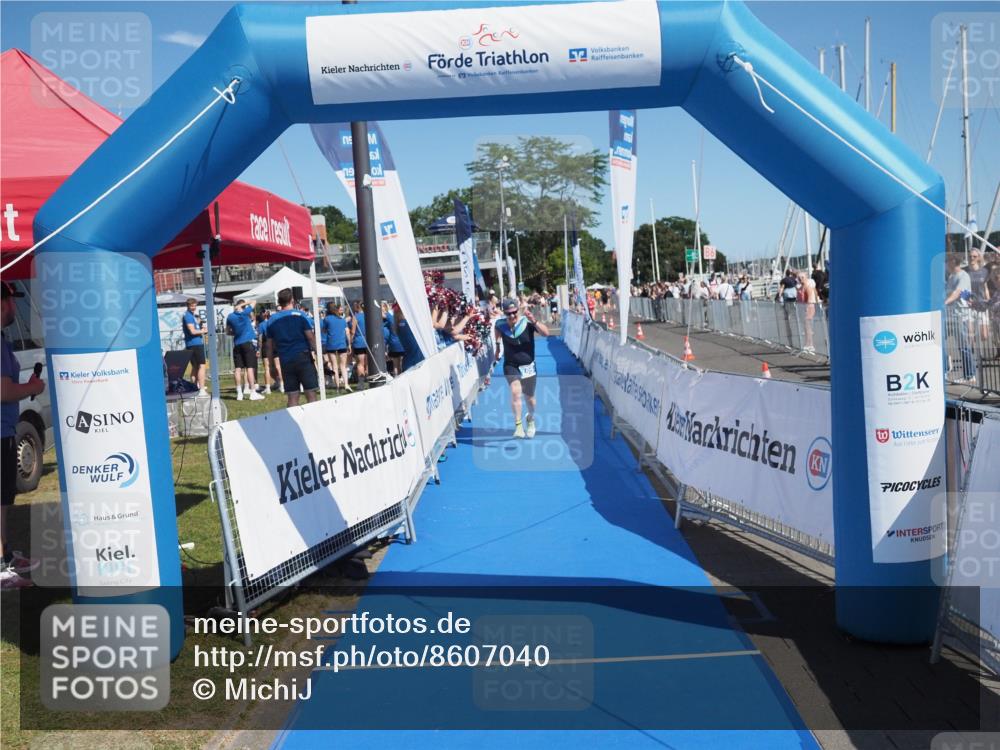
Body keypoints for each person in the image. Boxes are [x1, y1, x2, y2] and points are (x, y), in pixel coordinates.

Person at [1, 282, 43, 588]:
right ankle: (2, 568)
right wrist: (32, 388)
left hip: (5, 429)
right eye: (12, 301)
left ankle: (5, 557)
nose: (15, 308)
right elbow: (3, 390)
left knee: (4, 498)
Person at [494, 298, 549, 439]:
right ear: (504, 313)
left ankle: (530, 418)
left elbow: (546, 333)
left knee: (530, 399)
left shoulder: (527, 323)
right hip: (511, 365)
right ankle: (518, 426)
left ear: (518, 310)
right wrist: (497, 346)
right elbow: (497, 333)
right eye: (508, 314)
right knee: (515, 392)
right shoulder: (500, 325)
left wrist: (534, 321)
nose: (512, 316)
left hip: (528, 366)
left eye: (514, 312)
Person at [263, 288, 319, 407]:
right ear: (292, 300)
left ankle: (291, 424)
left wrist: (271, 365)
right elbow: (310, 337)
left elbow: (268, 345)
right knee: (311, 394)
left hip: (285, 360)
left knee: (292, 396)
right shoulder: (301, 315)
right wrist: (319, 354)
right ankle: (314, 422)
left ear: (279, 301)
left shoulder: (272, 320)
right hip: (303, 357)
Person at [945, 254, 975, 383]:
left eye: (947, 261)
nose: (945, 264)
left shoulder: (963, 276)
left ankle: (970, 375)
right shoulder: (951, 277)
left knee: (963, 346)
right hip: (949, 316)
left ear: (953, 261)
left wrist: (944, 303)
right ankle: (946, 370)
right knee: (940, 343)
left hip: (960, 316)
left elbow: (957, 293)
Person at [226, 299, 264, 401]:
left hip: (237, 343)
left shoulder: (230, 317)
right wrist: (243, 304)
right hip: (247, 343)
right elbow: (254, 302)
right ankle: (252, 393)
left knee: (238, 369)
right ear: (241, 307)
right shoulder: (244, 314)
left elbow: (228, 331)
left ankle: (239, 393)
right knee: (250, 368)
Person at [322, 302, 351, 391]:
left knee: (334, 365)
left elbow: (324, 330)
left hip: (331, 344)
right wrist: (349, 344)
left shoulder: (326, 319)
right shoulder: (342, 319)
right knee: (343, 365)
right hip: (342, 344)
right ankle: (346, 384)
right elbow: (347, 332)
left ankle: (337, 386)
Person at [182, 298, 208, 395]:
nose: (193, 307)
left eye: (195, 306)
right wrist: (203, 331)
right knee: (201, 365)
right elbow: (192, 331)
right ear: (188, 306)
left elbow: (194, 328)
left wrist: (200, 327)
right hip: (194, 344)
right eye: (192, 306)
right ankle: (201, 389)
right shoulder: (188, 316)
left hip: (195, 343)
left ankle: (194, 388)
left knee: (196, 367)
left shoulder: (192, 316)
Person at [257, 310, 282, 394]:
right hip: (275, 345)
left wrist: (259, 349)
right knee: (278, 366)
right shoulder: (275, 324)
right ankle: (282, 386)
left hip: (266, 346)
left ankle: (268, 388)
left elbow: (260, 338)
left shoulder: (261, 324)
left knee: (267, 368)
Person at [382, 301, 405, 375]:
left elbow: (382, 315)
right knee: (401, 364)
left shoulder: (389, 316)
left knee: (396, 365)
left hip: (393, 342)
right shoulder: (403, 317)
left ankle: (397, 380)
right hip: (401, 342)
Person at [350, 301, 368, 385]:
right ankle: (368, 379)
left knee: (360, 363)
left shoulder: (356, 317)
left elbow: (353, 331)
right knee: (368, 362)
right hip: (368, 341)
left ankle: (361, 382)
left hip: (359, 342)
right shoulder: (369, 316)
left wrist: (350, 342)